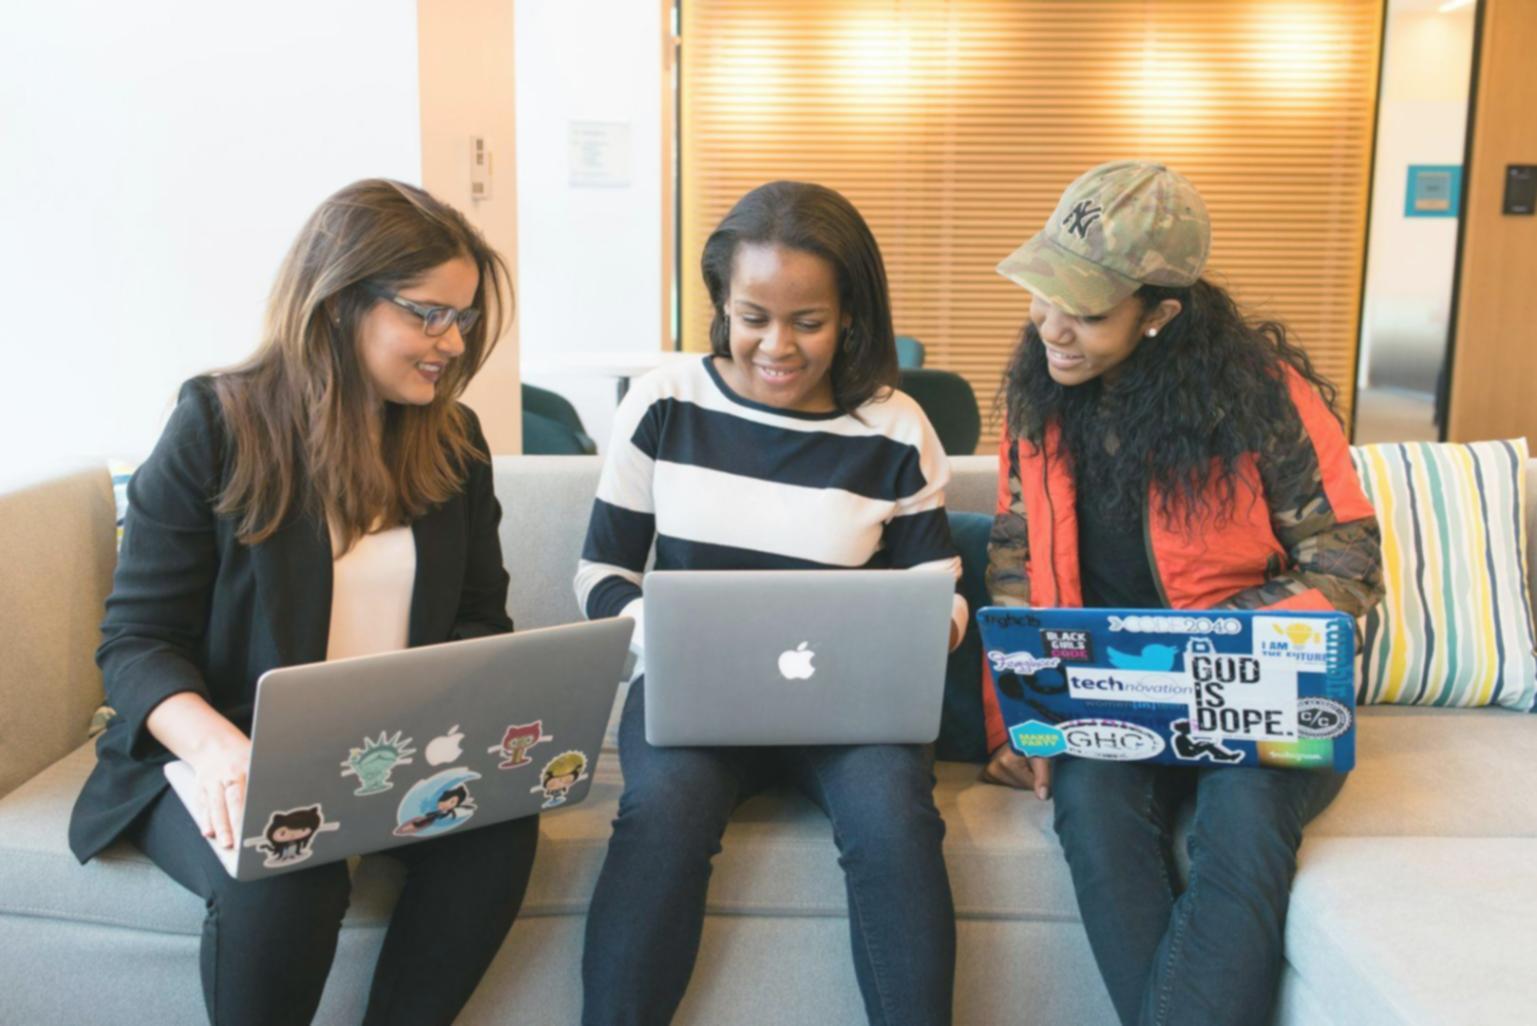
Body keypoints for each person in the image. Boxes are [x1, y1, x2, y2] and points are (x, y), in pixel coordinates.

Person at [67, 179, 536, 1026]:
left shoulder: (454, 441)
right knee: (293, 862)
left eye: (463, 318)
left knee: (498, 836)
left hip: (391, 756)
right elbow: (136, 642)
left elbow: (478, 622)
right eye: (428, 314)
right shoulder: (216, 423)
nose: (451, 342)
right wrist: (220, 752)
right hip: (223, 757)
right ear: (339, 302)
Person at [981, 161, 1384, 1026]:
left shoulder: (1265, 401)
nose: (1051, 326)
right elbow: (1015, 562)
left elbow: (1345, 561)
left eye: (1084, 312)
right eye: (1043, 294)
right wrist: (1018, 722)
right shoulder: (1036, 401)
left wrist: (1204, 644)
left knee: (1239, 828)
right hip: (1111, 695)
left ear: (1159, 314)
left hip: (1262, 694)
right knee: (1090, 812)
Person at [575, 180, 966, 1026]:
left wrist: (932, 622)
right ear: (721, 305)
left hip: (852, 707)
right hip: (694, 698)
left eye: (808, 322)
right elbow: (601, 573)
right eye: (752, 316)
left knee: (895, 824)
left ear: (851, 314)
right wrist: (664, 635)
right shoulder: (665, 403)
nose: (776, 346)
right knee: (659, 818)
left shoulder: (895, 429)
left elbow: (937, 584)